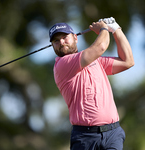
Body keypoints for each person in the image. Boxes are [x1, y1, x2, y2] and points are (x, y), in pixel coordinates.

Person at [49, 17, 134, 150]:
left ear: (75, 38)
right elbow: (100, 46)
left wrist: (116, 29)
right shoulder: (62, 65)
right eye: (56, 40)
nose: (61, 42)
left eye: (65, 37)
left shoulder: (97, 62)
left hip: (113, 133)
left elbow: (127, 61)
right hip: (85, 137)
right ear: (53, 46)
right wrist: (104, 28)